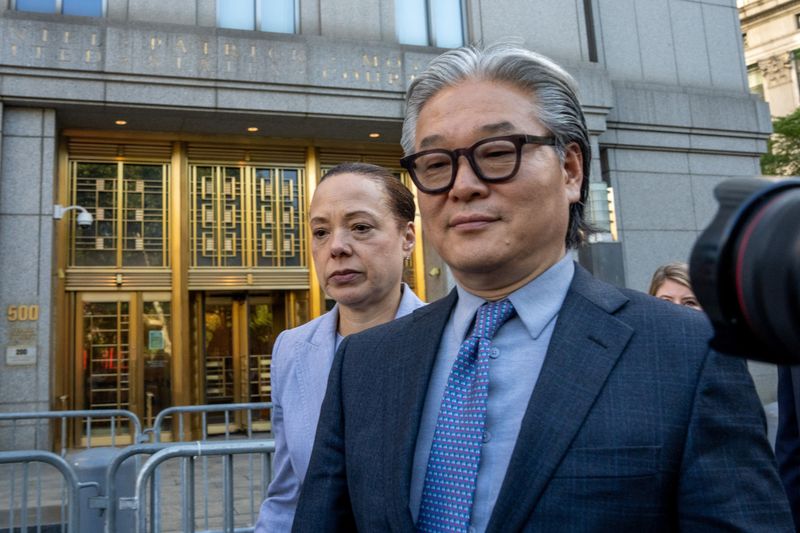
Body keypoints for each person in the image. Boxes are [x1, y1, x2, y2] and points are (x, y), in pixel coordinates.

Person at [293, 43, 792, 531]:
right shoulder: (364, 362)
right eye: (437, 165)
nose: (463, 185)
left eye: (496, 152)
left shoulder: (686, 352)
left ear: (571, 170)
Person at [254, 162, 425, 532]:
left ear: (407, 237)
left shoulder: (452, 341)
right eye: (320, 232)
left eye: (361, 227)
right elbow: (288, 496)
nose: (337, 248)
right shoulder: (291, 348)